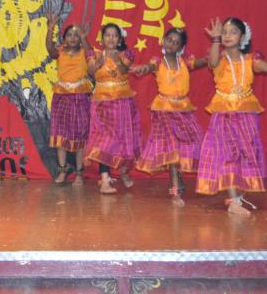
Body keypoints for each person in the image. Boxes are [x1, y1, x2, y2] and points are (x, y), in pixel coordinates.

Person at [197, 17, 267, 215]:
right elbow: (213, 62)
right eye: (224, 32)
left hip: (247, 116)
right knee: (228, 154)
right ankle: (233, 201)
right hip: (224, 114)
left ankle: (238, 196)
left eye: (233, 32)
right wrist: (215, 39)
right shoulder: (218, 58)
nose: (227, 35)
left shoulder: (250, 59)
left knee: (246, 153)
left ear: (243, 37)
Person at [133, 28, 207, 206]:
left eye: (176, 42)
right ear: (163, 41)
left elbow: (201, 62)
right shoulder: (158, 62)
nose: (172, 44)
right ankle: (175, 192)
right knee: (172, 149)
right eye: (169, 40)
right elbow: (150, 67)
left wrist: (211, 58)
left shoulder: (185, 62)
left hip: (183, 109)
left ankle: (178, 175)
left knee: (188, 144)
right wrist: (144, 68)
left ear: (181, 47)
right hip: (164, 110)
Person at [84, 23, 141, 194]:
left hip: (122, 104)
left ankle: (124, 172)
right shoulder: (94, 54)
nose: (110, 38)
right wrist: (99, 62)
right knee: (105, 140)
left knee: (124, 140)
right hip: (102, 105)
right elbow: (91, 71)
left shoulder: (127, 54)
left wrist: (115, 58)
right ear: (102, 39)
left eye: (114, 35)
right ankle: (105, 180)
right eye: (107, 35)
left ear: (119, 39)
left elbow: (123, 69)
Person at [45, 13, 93, 185]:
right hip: (62, 97)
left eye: (76, 35)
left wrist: (84, 38)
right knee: (61, 135)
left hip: (80, 97)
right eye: (69, 35)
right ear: (64, 38)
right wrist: (50, 29)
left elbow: (91, 54)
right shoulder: (60, 51)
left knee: (80, 135)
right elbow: (50, 49)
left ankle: (79, 173)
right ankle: (62, 171)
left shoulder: (84, 52)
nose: (73, 38)